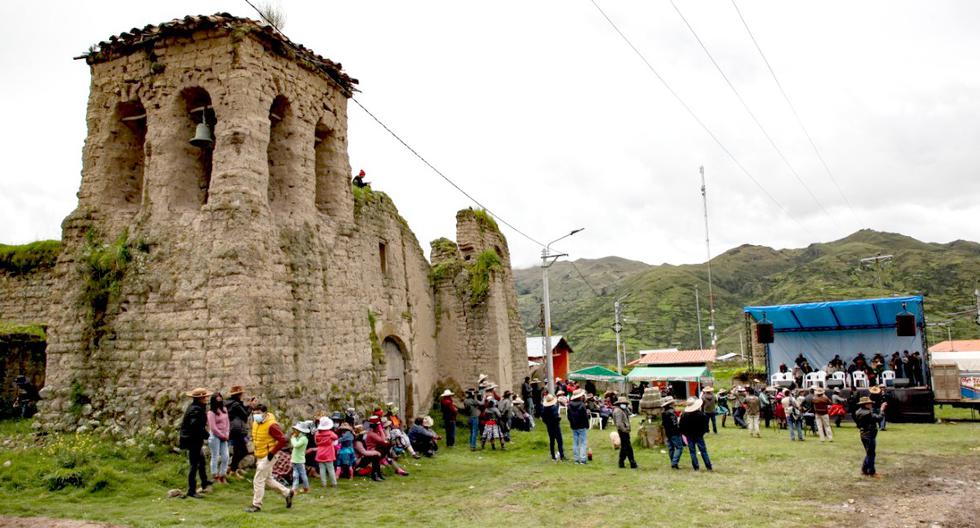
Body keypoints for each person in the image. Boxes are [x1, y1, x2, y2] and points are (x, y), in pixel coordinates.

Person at [245, 404, 293, 513]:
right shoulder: (255, 423)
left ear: (265, 413)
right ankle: (287, 492)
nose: (256, 415)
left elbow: (283, 440)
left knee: (258, 480)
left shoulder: (272, 425)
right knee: (268, 479)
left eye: (258, 413)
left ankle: (256, 505)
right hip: (261, 455)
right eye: (254, 413)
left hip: (269, 456)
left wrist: (272, 452)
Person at [179, 387, 212, 499]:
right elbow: (196, 426)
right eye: (205, 397)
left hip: (194, 439)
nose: (207, 398)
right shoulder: (195, 410)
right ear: (200, 398)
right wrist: (207, 435)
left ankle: (204, 482)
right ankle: (191, 490)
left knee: (201, 461)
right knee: (194, 465)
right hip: (192, 440)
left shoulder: (197, 407)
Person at [853, 396, 886, 477]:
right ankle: (871, 472)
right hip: (869, 434)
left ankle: (864, 470)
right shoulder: (868, 413)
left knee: (869, 453)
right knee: (871, 454)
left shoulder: (858, 411)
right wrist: (882, 410)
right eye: (870, 403)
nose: (871, 404)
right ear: (866, 404)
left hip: (863, 433)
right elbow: (879, 418)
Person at [225, 386, 252, 478]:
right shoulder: (236, 404)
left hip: (232, 429)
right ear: (239, 394)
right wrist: (251, 407)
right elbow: (245, 415)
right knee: (243, 451)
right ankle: (232, 469)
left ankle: (233, 469)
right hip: (238, 430)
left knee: (237, 451)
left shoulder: (229, 403)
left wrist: (248, 405)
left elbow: (240, 411)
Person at [679, 397, 712, 471]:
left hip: (689, 436)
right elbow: (705, 425)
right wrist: (703, 432)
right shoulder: (701, 415)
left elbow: (681, 427)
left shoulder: (684, 415)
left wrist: (685, 434)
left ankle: (696, 467)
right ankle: (708, 466)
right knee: (703, 451)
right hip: (699, 435)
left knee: (692, 452)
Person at [206, 392, 230, 484]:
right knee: (215, 456)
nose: (219, 399)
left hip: (224, 436)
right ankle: (215, 475)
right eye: (217, 398)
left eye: (220, 398)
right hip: (215, 436)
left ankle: (222, 475)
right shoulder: (211, 412)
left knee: (226, 456)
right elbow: (213, 427)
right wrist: (222, 435)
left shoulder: (224, 409)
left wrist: (227, 433)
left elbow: (227, 422)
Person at [612, 396, 637, 469]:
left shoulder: (623, 409)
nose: (625, 405)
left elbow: (629, 413)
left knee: (624, 447)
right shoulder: (618, 411)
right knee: (628, 447)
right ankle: (632, 462)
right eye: (623, 403)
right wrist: (625, 430)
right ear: (620, 404)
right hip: (623, 431)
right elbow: (619, 423)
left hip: (624, 430)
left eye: (625, 403)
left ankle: (621, 462)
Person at [314, 416, 338, 488]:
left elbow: (316, 442)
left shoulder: (317, 434)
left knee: (322, 469)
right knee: (331, 469)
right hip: (328, 453)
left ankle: (323, 483)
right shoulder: (330, 433)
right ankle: (334, 483)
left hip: (320, 452)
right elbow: (336, 437)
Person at [567, 389, 590, 464]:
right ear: (580, 397)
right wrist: (587, 425)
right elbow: (585, 416)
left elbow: (569, 416)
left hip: (574, 426)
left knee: (575, 443)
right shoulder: (582, 405)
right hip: (582, 425)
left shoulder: (569, 405)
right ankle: (583, 459)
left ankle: (576, 459)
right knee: (583, 443)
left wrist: (571, 423)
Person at [541, 394, 565, 461]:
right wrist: (559, 418)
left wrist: (547, 423)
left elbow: (543, 419)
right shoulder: (553, 408)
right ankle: (562, 456)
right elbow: (555, 417)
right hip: (556, 426)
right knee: (559, 441)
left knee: (552, 441)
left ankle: (553, 456)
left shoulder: (544, 409)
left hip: (549, 427)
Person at [661, 396, 683, 469]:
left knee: (671, 448)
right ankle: (674, 462)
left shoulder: (663, 413)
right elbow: (675, 423)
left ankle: (673, 462)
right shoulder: (672, 412)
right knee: (679, 447)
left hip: (668, 432)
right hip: (675, 432)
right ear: (670, 404)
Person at [289, 423, 311, 494]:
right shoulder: (299, 438)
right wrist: (294, 438)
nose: (295, 431)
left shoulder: (304, 439)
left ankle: (303, 488)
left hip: (299, 460)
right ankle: (300, 488)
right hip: (295, 460)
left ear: (301, 431)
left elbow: (296, 445)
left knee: (301, 475)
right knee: (296, 475)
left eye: (296, 430)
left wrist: (293, 438)